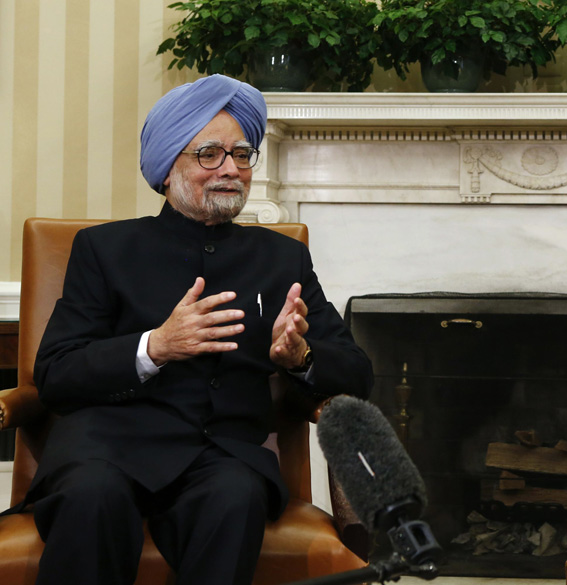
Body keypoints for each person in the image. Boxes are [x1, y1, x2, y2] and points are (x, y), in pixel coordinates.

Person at [21, 75, 374, 585]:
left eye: (241, 154)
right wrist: (155, 347)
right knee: (91, 497)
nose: (231, 169)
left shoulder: (282, 258)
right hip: (107, 447)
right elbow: (55, 374)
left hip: (222, 453)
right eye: (209, 153)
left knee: (234, 498)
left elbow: (358, 374)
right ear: (167, 169)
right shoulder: (105, 249)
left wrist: (300, 357)